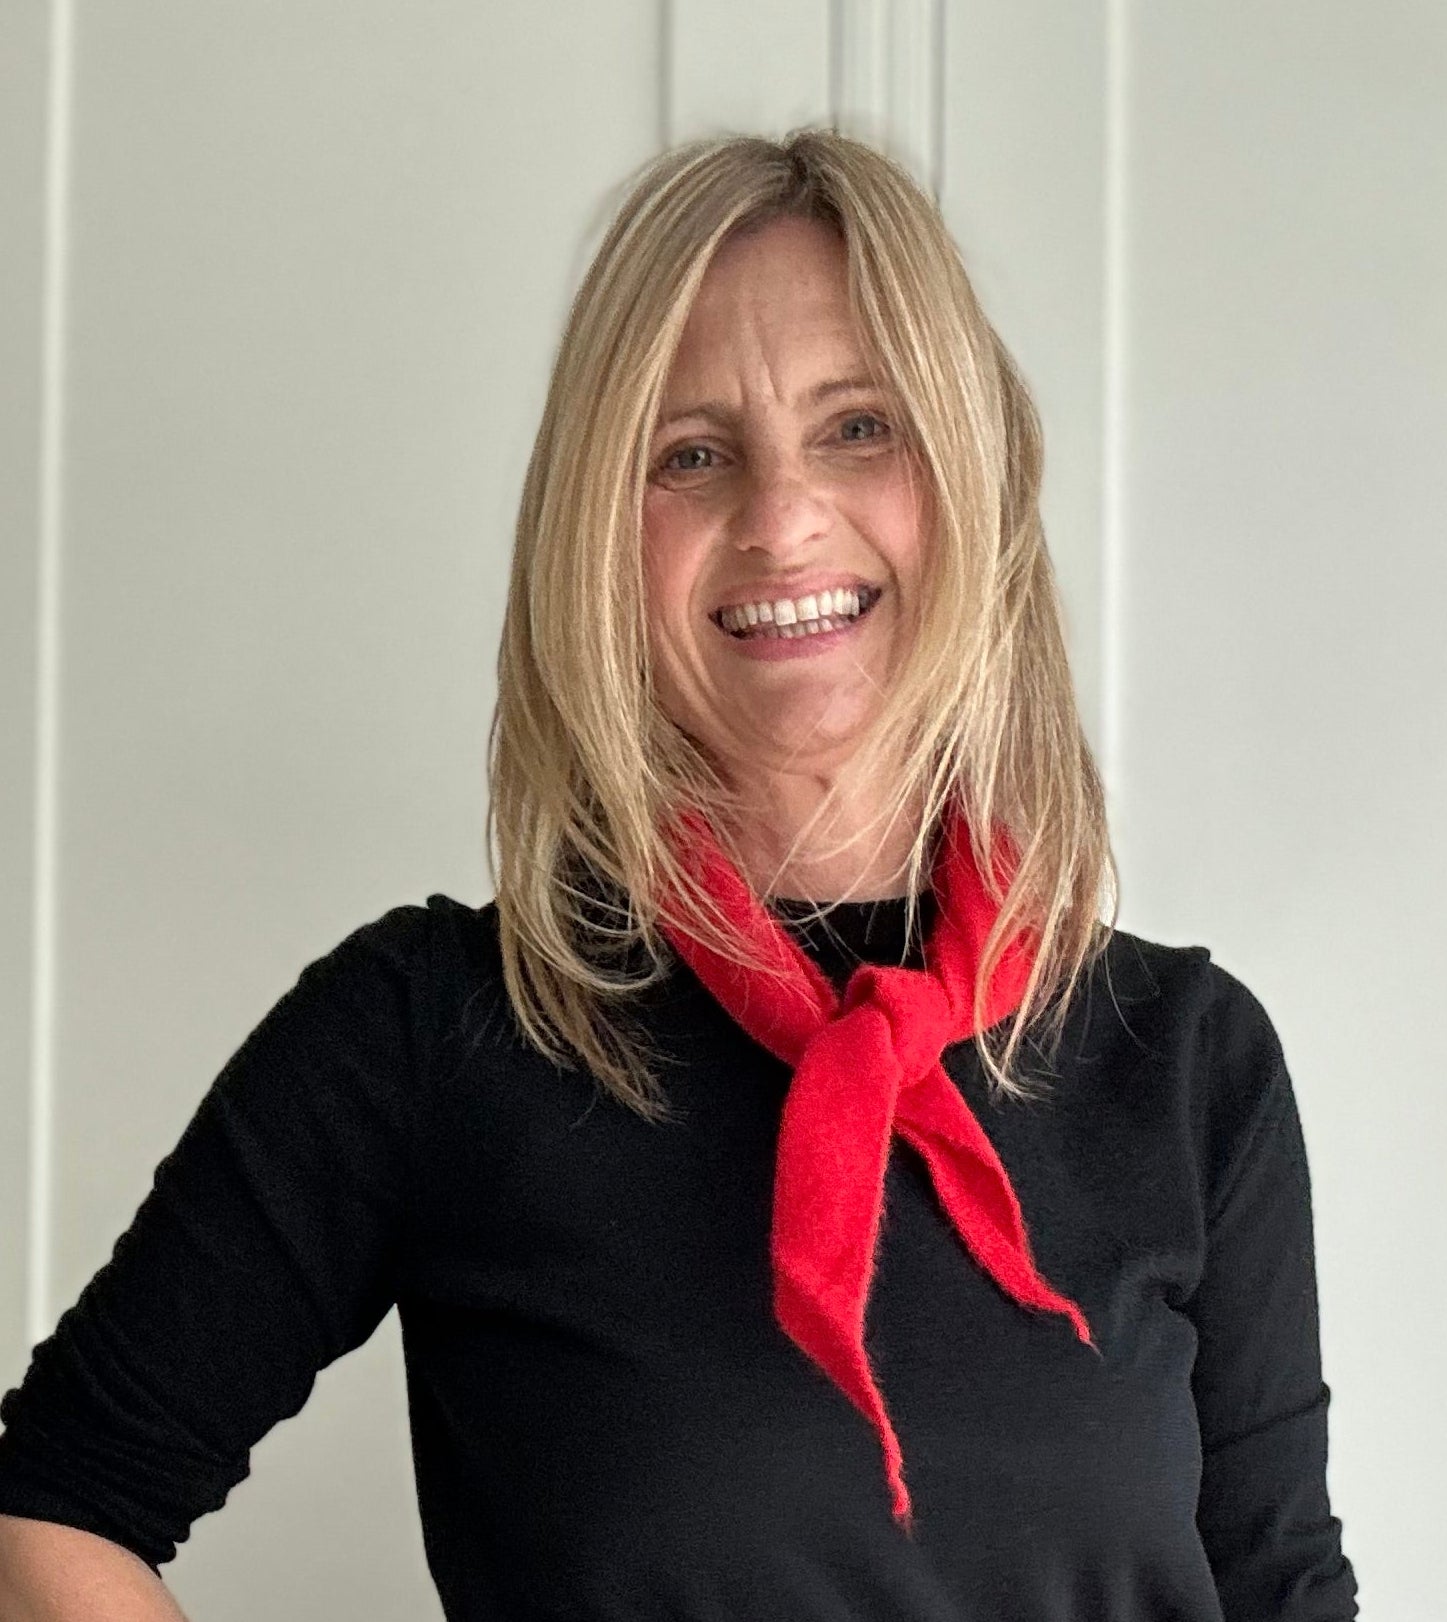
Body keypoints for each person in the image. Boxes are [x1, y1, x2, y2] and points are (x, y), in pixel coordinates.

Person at [0, 129, 1358, 1620]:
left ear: (968, 481)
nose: (780, 517)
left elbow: (1281, 1588)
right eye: (690, 453)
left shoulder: (1184, 1061)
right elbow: (49, 1510)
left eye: (858, 427)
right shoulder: (430, 1034)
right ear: (599, 527)